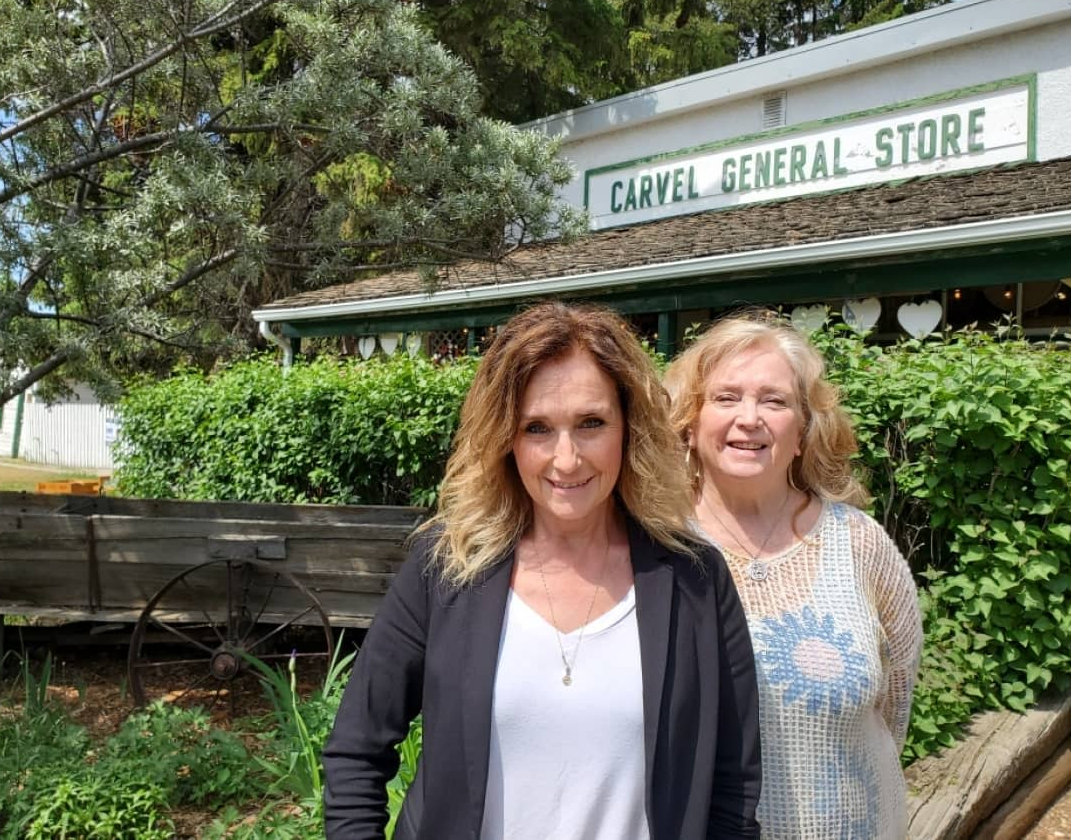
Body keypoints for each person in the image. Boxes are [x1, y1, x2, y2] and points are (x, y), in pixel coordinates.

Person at [323, 301, 762, 839]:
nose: (566, 458)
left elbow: (733, 784)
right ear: (505, 438)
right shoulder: (448, 569)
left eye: (591, 423)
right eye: (537, 428)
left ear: (630, 429)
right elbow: (356, 751)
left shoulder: (694, 578)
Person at [665, 312, 922, 840]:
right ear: (689, 423)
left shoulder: (860, 544)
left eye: (774, 401)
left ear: (803, 431)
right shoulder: (657, 548)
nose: (749, 417)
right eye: (726, 397)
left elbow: (894, 709)